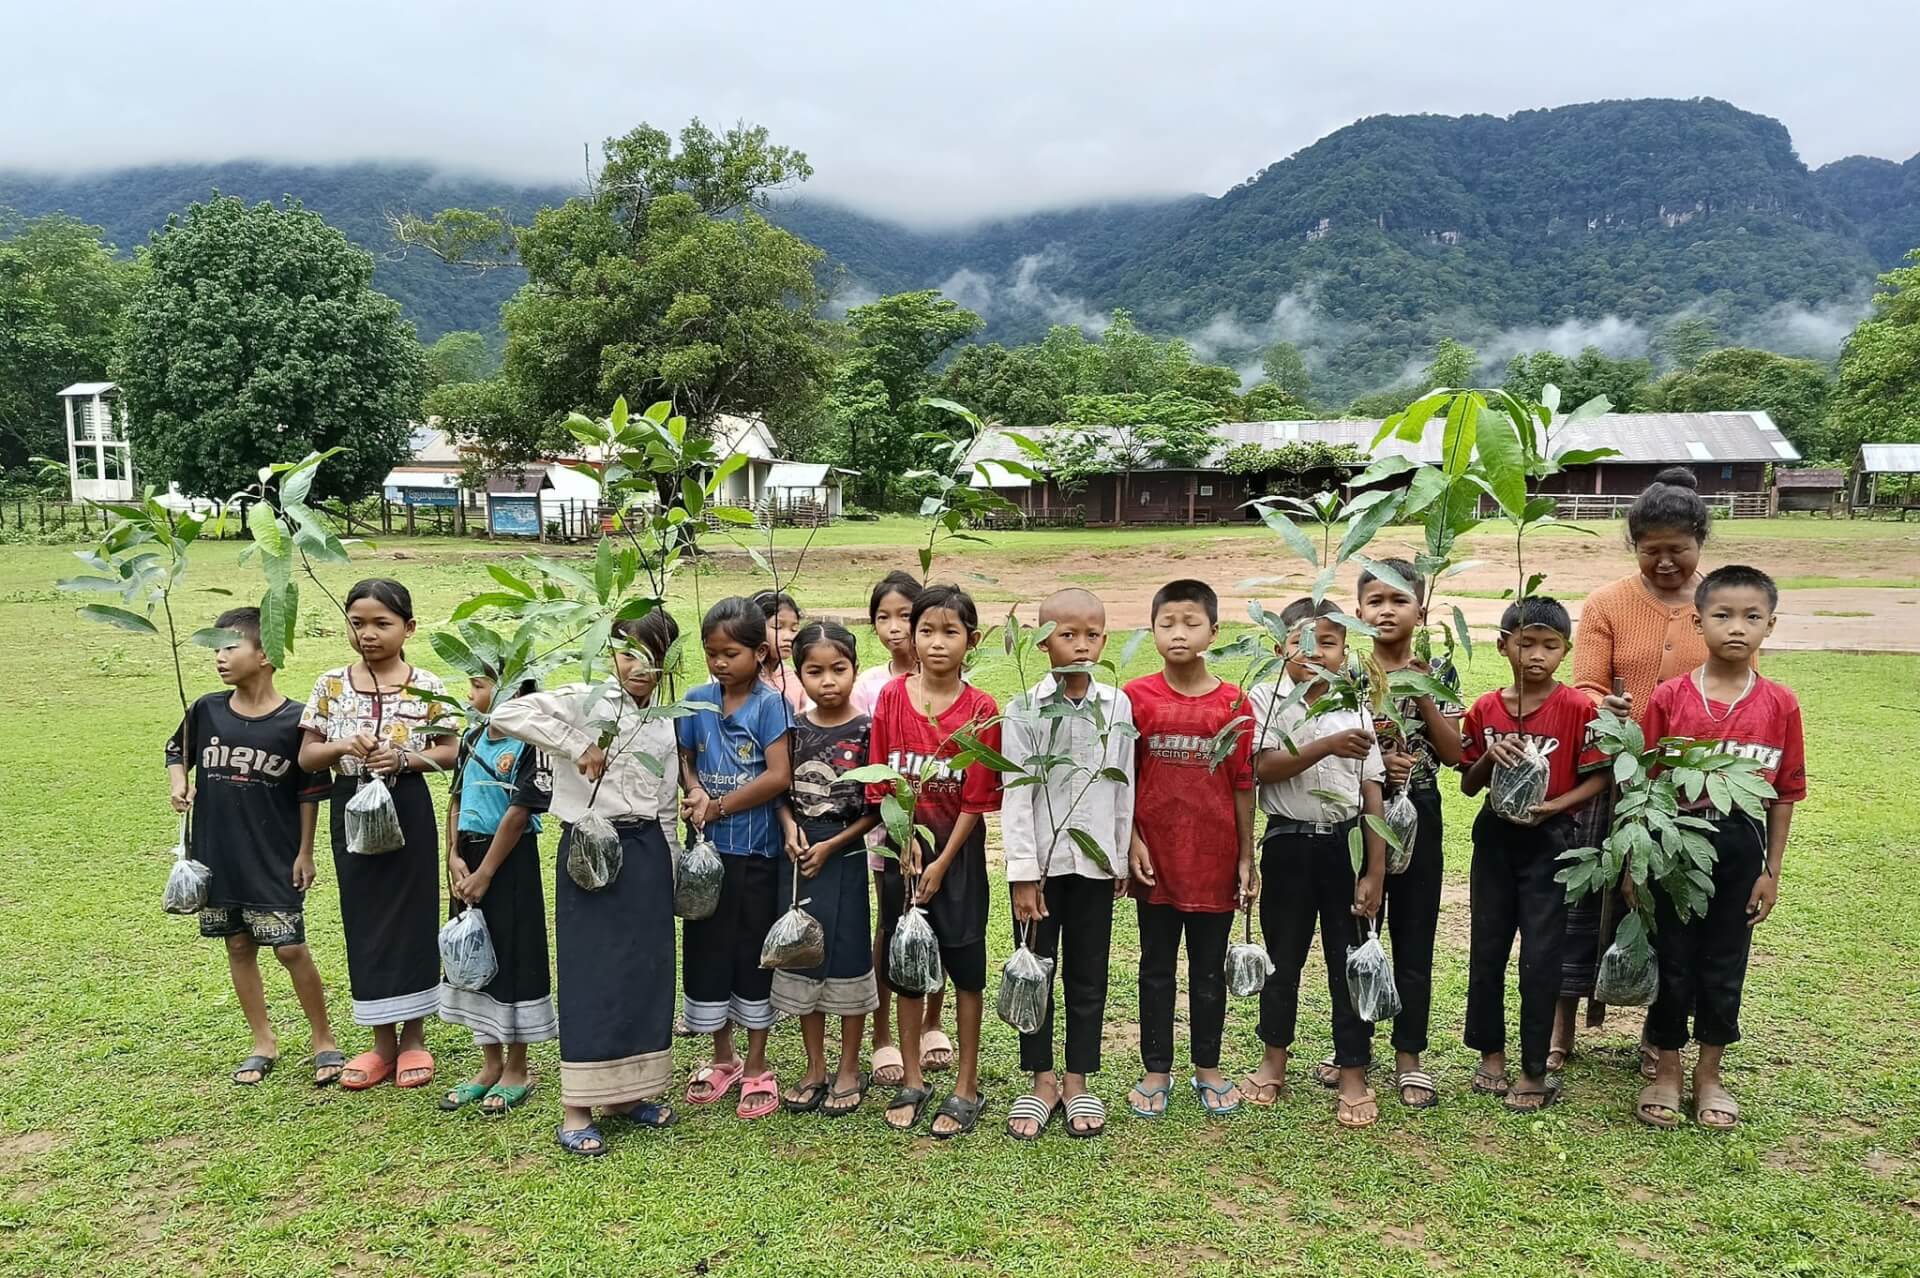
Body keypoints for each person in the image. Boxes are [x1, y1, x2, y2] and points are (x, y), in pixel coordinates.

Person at [490, 611, 683, 1156]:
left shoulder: (665, 721)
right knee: (591, 970)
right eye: (628, 655)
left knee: (644, 971)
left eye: (651, 658)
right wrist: (577, 744)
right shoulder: (585, 699)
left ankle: (631, 1094)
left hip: (645, 850)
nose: (639, 668)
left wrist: (667, 870)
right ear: (612, 653)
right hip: (589, 848)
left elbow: (666, 804)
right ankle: (577, 1105)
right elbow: (505, 714)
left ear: (666, 661)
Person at [1635, 566, 1804, 1130]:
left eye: (1752, 617)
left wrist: (1771, 871)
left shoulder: (1780, 705)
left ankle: (1711, 1075)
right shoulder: (1670, 698)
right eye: (1723, 615)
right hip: (1675, 845)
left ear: (1770, 625)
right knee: (1673, 959)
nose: (1737, 628)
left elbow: (1784, 793)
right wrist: (1639, 861)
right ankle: (1667, 1070)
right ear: (1697, 621)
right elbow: (1646, 783)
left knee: (1725, 964)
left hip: (1739, 848)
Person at [1563, 467, 1713, 1074]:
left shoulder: (1720, 602)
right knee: (1586, 901)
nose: (1666, 562)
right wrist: (1608, 706)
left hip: (1692, 782)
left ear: (1701, 540)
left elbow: (1734, 684)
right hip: (1613, 777)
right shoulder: (1607, 603)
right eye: (1653, 552)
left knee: (1672, 905)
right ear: (1636, 548)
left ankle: (1662, 1032)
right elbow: (1586, 685)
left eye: (1678, 550)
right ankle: (1561, 1027)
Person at [166, 607, 341, 1087]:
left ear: (265, 655)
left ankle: (323, 1039)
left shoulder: (295, 720)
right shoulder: (206, 709)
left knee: (289, 948)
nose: (219, 658)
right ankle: (263, 1041)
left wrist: (306, 852)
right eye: (215, 649)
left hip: (272, 854)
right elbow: (176, 749)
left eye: (229, 647)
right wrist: (179, 783)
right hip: (216, 852)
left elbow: (309, 792)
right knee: (238, 944)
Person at [298, 579, 457, 1092]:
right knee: (363, 915)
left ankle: (414, 1039)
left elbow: (452, 750)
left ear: (409, 628)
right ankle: (379, 1043)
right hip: (352, 805)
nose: (368, 634)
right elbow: (307, 757)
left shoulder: (427, 684)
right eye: (357, 623)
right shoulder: (330, 685)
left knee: (412, 914)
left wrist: (406, 759)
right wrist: (344, 742)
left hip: (406, 804)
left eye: (381, 624)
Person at [1239, 598, 1388, 1128]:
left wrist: (1374, 869)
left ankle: (1353, 1071)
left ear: (1346, 650)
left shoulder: (1355, 701)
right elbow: (1263, 769)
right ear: (1281, 647)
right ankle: (1272, 1062)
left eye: (1328, 641)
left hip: (1347, 846)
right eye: (1302, 641)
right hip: (1288, 844)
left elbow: (1372, 790)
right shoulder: (1266, 698)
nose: (1314, 652)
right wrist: (1325, 744)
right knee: (1283, 959)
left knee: (1350, 961)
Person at [1460, 596, 1609, 1113]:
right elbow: (1468, 784)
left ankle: (1533, 1067)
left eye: (1550, 646)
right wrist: (1487, 755)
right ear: (1504, 646)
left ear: (1565, 651)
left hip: (1551, 841)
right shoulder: (1485, 709)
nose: (1537, 655)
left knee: (1542, 955)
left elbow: (1598, 777)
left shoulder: (1578, 709)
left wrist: (1553, 808)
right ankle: (1491, 1053)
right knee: (1489, 946)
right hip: (1496, 838)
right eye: (1526, 644)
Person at [867, 584, 1002, 1137]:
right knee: (907, 968)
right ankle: (914, 1079)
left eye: (950, 632)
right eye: (927, 631)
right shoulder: (892, 699)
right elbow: (879, 777)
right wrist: (903, 840)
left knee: (965, 972)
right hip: (902, 856)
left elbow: (977, 797)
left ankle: (966, 1084)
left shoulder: (981, 708)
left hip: (958, 859)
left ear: (972, 639)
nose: (937, 642)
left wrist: (942, 860)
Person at [999, 589, 1134, 1140]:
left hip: (1095, 865)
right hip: (1044, 870)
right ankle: (1042, 1078)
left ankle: (1078, 1079)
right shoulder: (1023, 709)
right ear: (1042, 639)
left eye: (1093, 635)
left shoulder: (1116, 707)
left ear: (1105, 639)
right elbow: (1017, 793)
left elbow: (1123, 785)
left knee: (1087, 973)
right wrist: (1024, 874)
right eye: (1067, 635)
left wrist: (1120, 855)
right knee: (1035, 971)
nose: (1081, 646)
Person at [1124, 579, 1256, 1119]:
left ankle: (1208, 1066)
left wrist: (1247, 855)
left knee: (1208, 969)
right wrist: (1131, 839)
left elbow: (1243, 783)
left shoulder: (1233, 701)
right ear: (1152, 630)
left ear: (1214, 632)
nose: (1178, 634)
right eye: (1167, 623)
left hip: (1214, 860)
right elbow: (1122, 780)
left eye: (1191, 623)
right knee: (1155, 965)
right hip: (1154, 861)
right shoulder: (1133, 699)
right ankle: (1156, 1067)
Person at [676, 597, 795, 1121]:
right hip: (706, 855)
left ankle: (756, 1063)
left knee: (752, 953)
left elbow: (777, 777)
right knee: (708, 950)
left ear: (759, 652)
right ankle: (721, 1057)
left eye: (730, 653)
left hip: (756, 853)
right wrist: (694, 788)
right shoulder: (696, 701)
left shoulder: (771, 705)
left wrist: (718, 803)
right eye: (711, 654)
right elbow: (683, 755)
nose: (720, 663)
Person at [1351, 559, 1462, 1109]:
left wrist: (1419, 691)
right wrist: (1378, 755)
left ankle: (1409, 1055)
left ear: (1420, 609)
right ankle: (1355, 1048)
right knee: (1358, 932)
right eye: (1376, 601)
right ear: (1359, 611)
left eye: (1398, 600)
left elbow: (1456, 752)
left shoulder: (1437, 668)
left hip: (1421, 806)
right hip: (1360, 812)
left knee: (1414, 936)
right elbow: (1338, 741)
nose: (1386, 611)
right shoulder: (1347, 671)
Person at [772, 622, 881, 1118]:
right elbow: (779, 789)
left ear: (854, 669)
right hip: (798, 857)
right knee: (804, 953)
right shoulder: (793, 728)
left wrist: (834, 844)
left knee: (849, 956)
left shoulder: (867, 730)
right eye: (814, 671)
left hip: (847, 854)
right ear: (800, 675)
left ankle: (849, 1067)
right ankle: (815, 1066)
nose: (828, 681)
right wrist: (789, 824)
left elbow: (876, 805)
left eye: (838, 669)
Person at [437, 672, 557, 1115]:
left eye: (480, 686)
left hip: (507, 863)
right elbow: (454, 801)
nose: (470, 694)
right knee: (472, 956)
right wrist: (452, 855)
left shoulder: (531, 743)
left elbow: (519, 811)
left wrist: (486, 872)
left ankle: (518, 1067)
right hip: (466, 859)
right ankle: (488, 1064)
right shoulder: (470, 739)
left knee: (515, 957)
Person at [851, 571, 951, 1085]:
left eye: (905, 617)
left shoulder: (950, 679)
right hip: (889, 827)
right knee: (891, 922)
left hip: (942, 823)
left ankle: (933, 1020)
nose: (895, 628)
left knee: (941, 923)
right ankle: (882, 1033)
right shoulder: (872, 685)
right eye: (883, 618)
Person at [755, 590, 810, 714]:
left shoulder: (792, 677)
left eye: (794, 629)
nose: (789, 637)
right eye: (778, 627)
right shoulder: (737, 678)